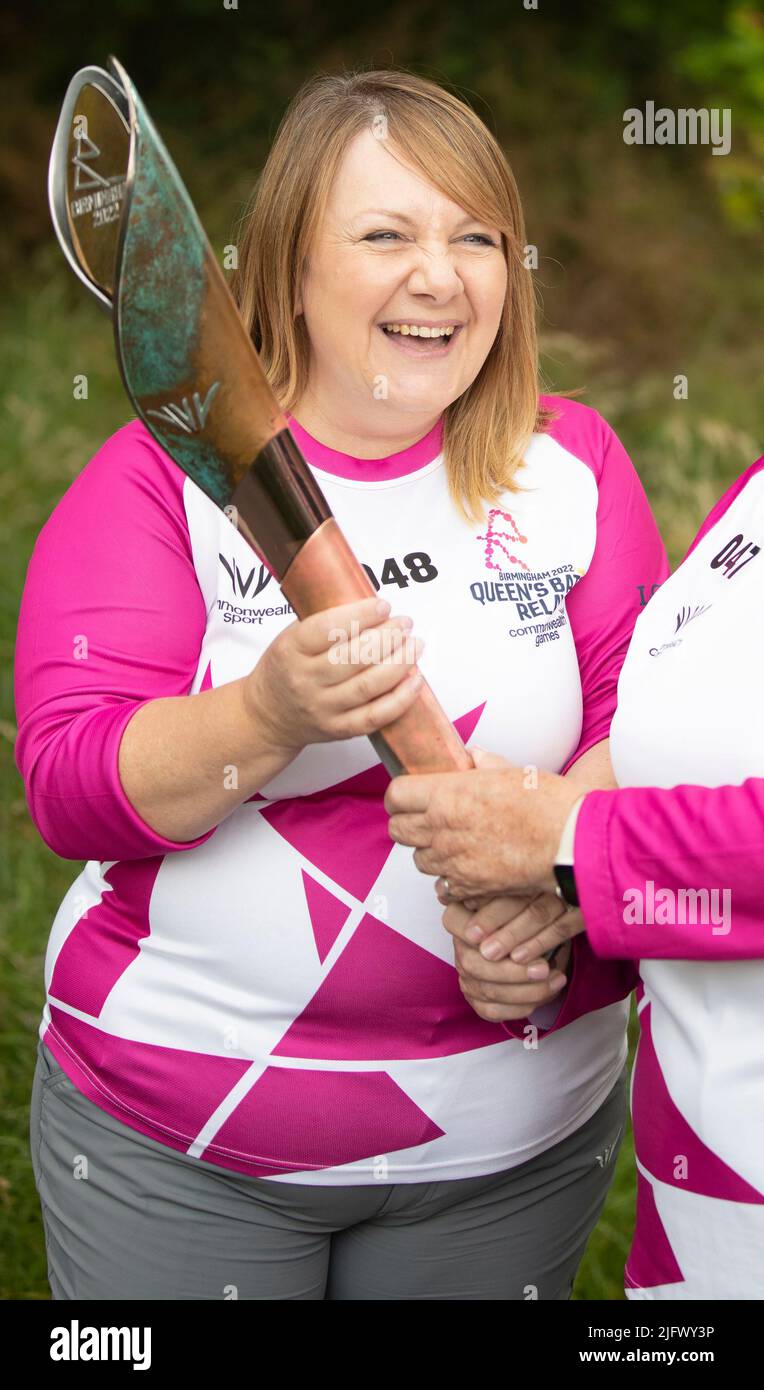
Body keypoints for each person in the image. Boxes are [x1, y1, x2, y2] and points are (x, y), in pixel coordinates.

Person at [16, 68, 666, 1301]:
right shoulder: (163, 475)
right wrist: (265, 717)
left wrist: (559, 895)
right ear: (285, 267)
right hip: (182, 1139)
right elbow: (68, 790)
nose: (442, 276)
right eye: (385, 235)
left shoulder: (569, 461)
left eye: (476, 236)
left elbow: (650, 727)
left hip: (507, 1148)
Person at [386, 454, 764, 1300]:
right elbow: (683, 783)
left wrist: (565, 842)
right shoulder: (753, 491)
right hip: (698, 1212)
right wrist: (561, 924)